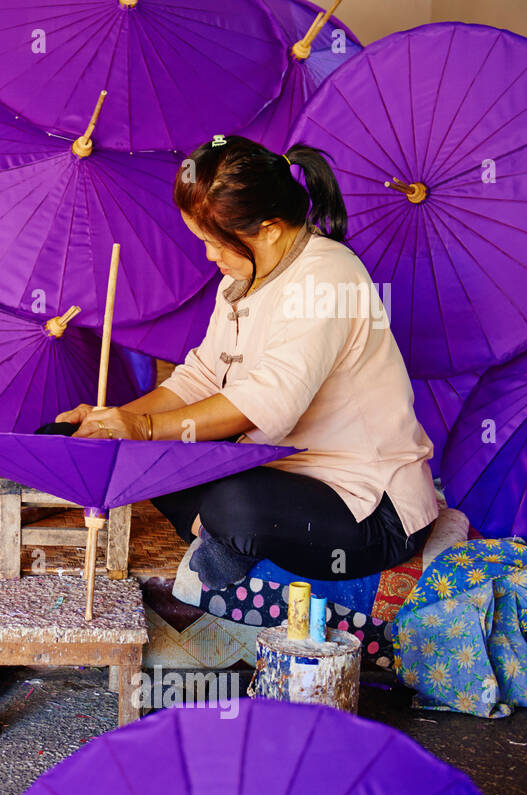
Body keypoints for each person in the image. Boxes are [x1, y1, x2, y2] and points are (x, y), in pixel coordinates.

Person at [57, 135, 438, 591]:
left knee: (233, 504)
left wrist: (145, 430)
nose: (209, 256)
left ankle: (223, 530)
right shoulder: (243, 278)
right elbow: (200, 377)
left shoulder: (329, 277)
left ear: (270, 228)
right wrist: (117, 423)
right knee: (129, 455)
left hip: (368, 504)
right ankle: (222, 534)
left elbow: (270, 405)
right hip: (282, 478)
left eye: (216, 243)